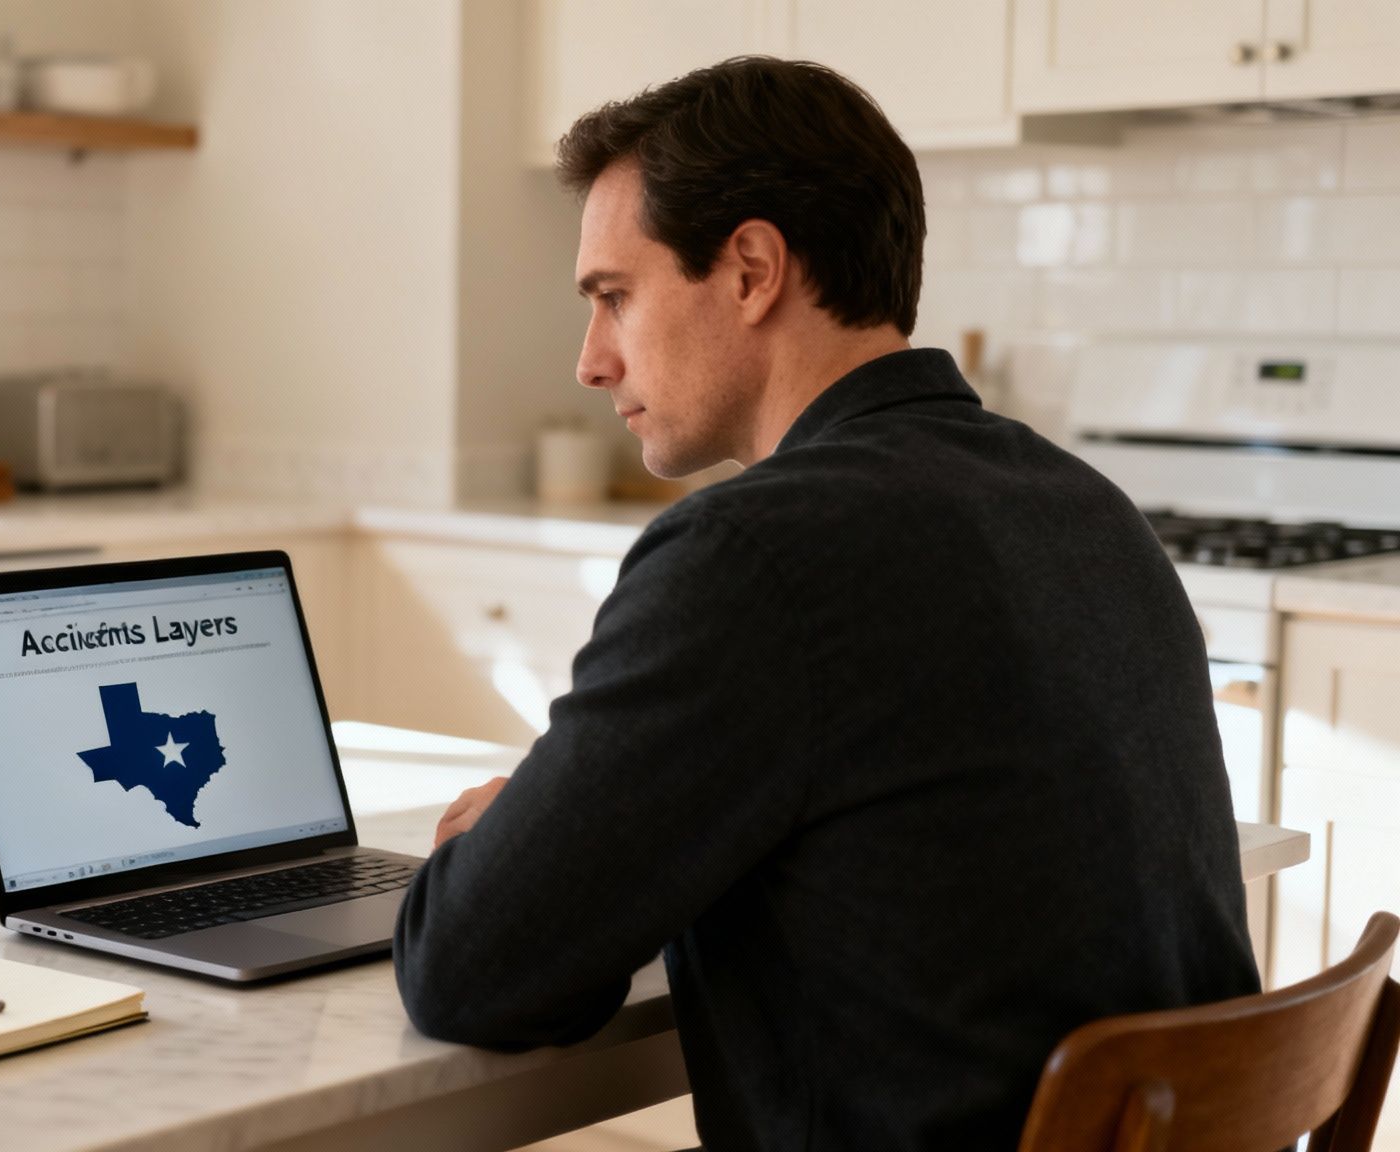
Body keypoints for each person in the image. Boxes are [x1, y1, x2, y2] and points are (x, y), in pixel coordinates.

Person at [390, 56, 1259, 1151]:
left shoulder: (749, 555)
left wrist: (506, 836)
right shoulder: (1082, 504)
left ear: (751, 269)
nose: (589, 361)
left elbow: (472, 975)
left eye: (614, 296)